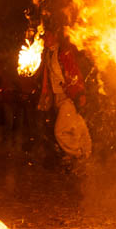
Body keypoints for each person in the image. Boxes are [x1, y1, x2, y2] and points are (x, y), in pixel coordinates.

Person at [38, 31, 91, 166]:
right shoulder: (47, 54)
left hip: (68, 96)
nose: (46, 39)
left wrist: (79, 93)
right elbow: (47, 77)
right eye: (45, 37)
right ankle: (83, 156)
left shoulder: (63, 52)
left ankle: (78, 154)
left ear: (55, 36)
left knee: (60, 131)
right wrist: (45, 95)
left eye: (48, 36)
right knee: (77, 127)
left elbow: (74, 72)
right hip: (58, 97)